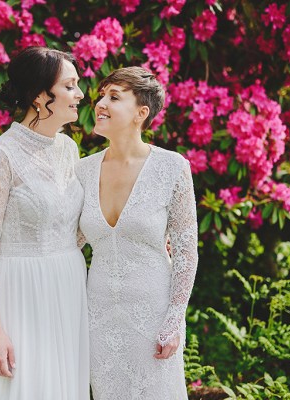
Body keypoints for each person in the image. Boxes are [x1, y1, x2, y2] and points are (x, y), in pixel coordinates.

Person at [0, 47, 89, 400]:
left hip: (69, 288)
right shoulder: (0, 155)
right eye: (70, 86)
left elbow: (77, 230)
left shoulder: (68, 149)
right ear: (39, 96)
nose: (81, 94)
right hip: (22, 293)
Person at [75, 67, 198, 399]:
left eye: (114, 97)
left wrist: (174, 321)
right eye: (101, 95)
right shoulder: (82, 170)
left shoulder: (173, 168)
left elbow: (186, 253)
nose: (100, 103)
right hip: (97, 319)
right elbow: (70, 239)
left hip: (152, 319)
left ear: (141, 113)